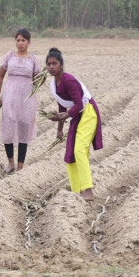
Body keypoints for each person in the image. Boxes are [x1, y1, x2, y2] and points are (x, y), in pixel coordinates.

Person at [45, 47, 103, 201]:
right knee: (70, 153)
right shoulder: (54, 84)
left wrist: (66, 115)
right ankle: (77, 190)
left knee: (79, 150)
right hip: (78, 115)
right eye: (49, 64)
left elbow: (78, 104)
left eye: (54, 63)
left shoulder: (68, 80)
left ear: (61, 65)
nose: (51, 67)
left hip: (88, 112)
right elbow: (61, 107)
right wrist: (59, 130)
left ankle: (88, 190)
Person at [0, 28, 41, 173]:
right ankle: (10, 163)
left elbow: (37, 81)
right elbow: (0, 76)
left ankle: (20, 166)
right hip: (9, 96)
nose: (20, 43)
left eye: (23, 40)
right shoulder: (9, 56)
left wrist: (43, 78)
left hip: (26, 99)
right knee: (8, 129)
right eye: (18, 40)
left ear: (29, 42)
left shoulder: (33, 59)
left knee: (23, 130)